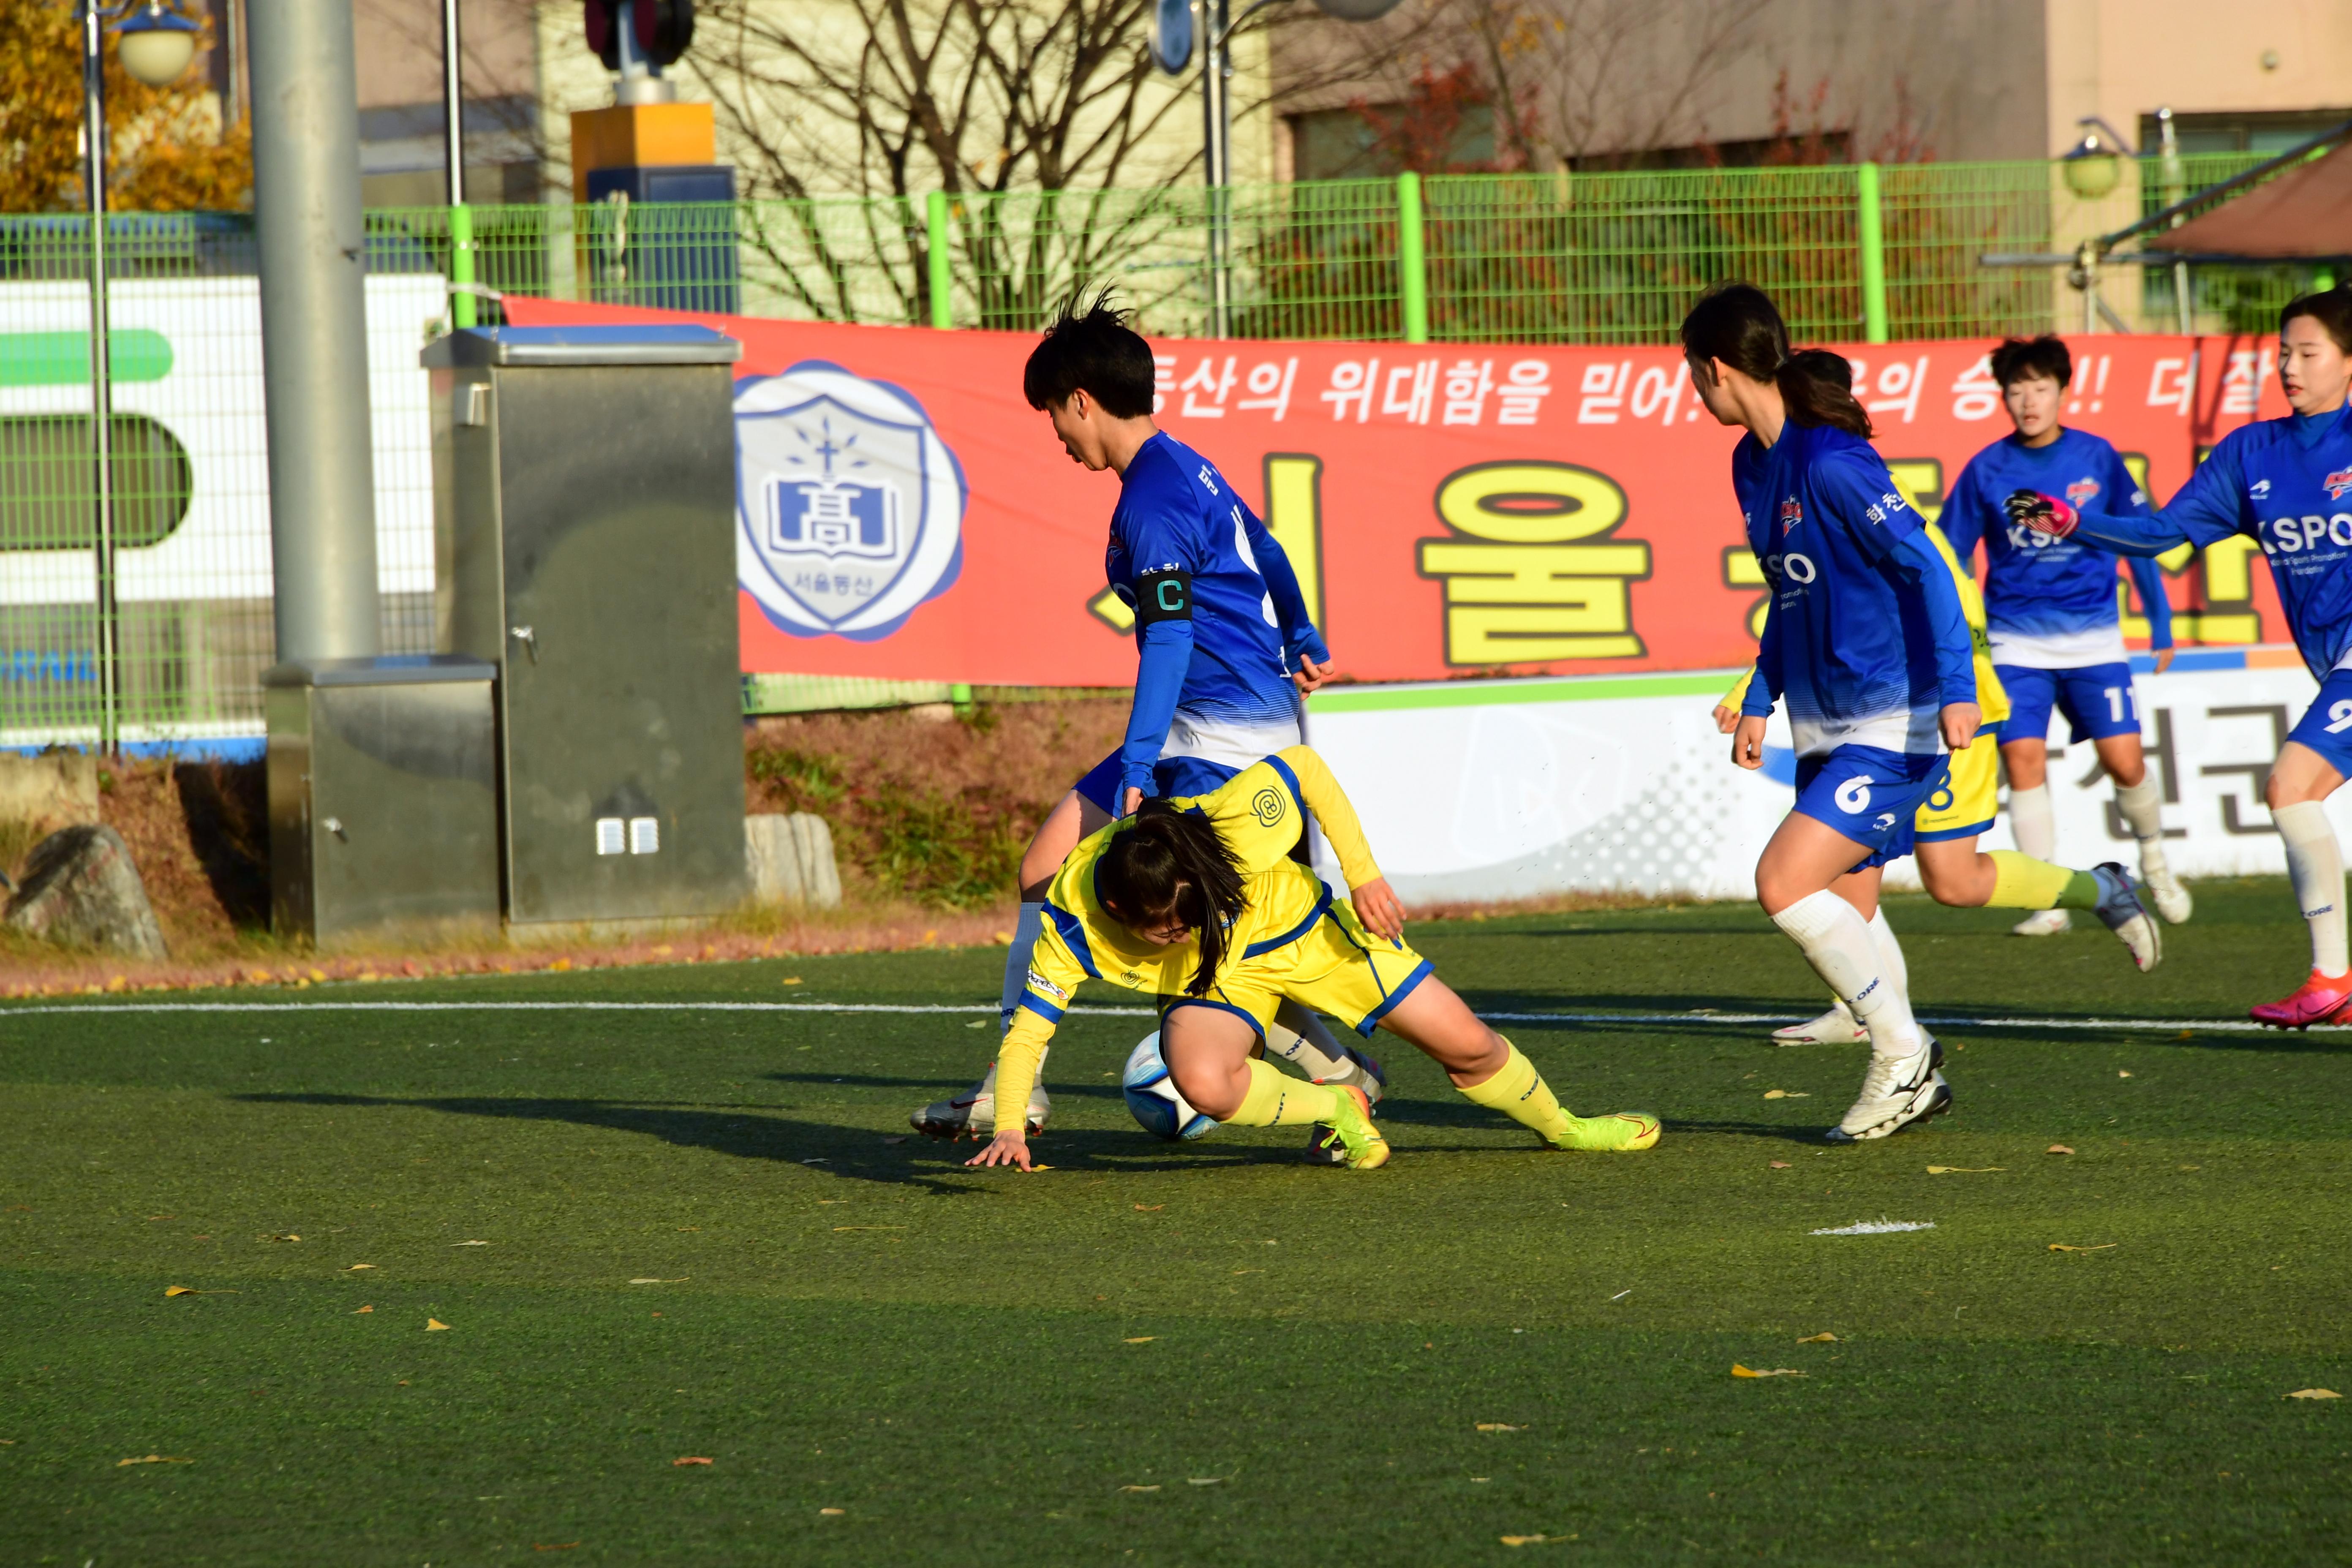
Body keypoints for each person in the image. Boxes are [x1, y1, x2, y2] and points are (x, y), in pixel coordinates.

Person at [912, 293, 1383, 1142]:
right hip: (1188, 729)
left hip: (1220, 743)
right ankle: (1010, 1088)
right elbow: (1268, 549)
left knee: (1193, 933)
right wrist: (1302, 630)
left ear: (1082, 400)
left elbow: (1167, 642)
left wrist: (1135, 769)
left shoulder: (1153, 503)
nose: (1057, 435)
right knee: (1042, 869)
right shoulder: (1184, 467)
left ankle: (1342, 1072)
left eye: (1055, 415)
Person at [1712, 350, 2161, 1048]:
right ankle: (1876, 1023)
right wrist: (1759, 692)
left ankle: (2099, 891)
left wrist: (1957, 696)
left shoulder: (1857, 492)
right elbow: (1798, 597)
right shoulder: (1808, 490)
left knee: (1950, 880)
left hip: (1944, 717)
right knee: (1842, 883)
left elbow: (1934, 592)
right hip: (1866, 719)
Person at [964, 746, 1661, 1172]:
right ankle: (1339, 1106)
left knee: (1471, 1050)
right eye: (1170, 930)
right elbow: (1029, 1033)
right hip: (1221, 985)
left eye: (1197, 916)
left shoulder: (1227, 822)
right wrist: (1007, 1128)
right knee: (1203, 1079)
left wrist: (1362, 875)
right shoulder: (1068, 925)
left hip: (1310, 939)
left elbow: (1305, 768)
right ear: (1119, 913)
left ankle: (1566, 1127)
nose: (1187, 931)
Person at [2006, 287, 2352, 1028]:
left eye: (2308, 352)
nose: (2288, 365)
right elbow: (2162, 534)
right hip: (2335, 662)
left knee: (2292, 788)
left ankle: (2332, 978)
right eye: (2283, 350)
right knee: (2297, 793)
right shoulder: (2250, 454)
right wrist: (2077, 523)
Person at [1940, 334, 2189, 934]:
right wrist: (1951, 633)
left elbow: (2138, 539)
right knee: (2021, 756)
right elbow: (1950, 554)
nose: (2028, 401)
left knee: (2125, 762)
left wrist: (2159, 624)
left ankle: (2155, 861)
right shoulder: (1987, 469)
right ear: (2002, 396)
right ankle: (2047, 898)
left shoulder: (2097, 457)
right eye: (2016, 389)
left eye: (2040, 388)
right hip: (2014, 641)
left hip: (2095, 640)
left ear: (2063, 392)